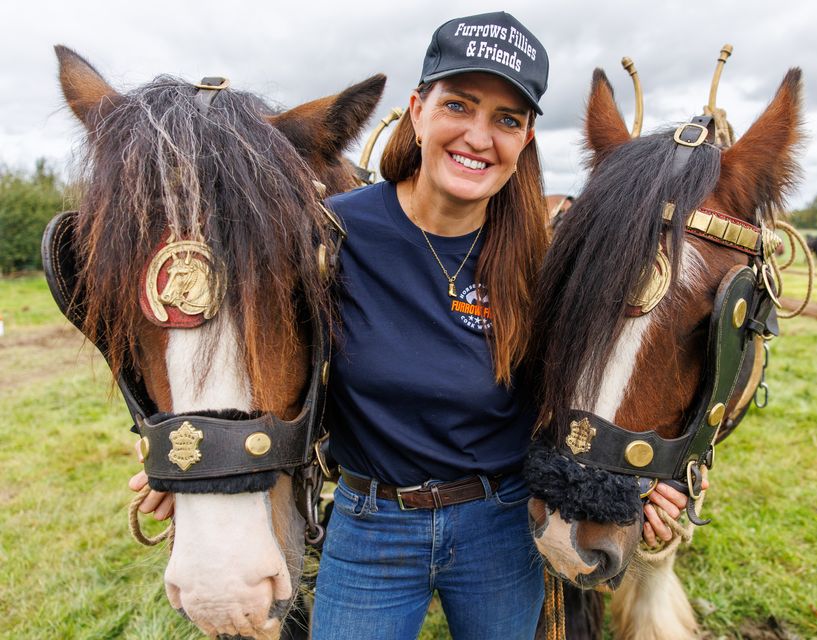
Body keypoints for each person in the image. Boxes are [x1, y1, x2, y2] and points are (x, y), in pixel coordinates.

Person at [131, 11, 699, 638]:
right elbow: (250, 352)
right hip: (370, 522)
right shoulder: (330, 234)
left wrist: (630, 482)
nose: (480, 136)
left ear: (527, 139)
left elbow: (590, 389)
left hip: (499, 525)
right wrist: (194, 457)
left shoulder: (540, 258)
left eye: (507, 120)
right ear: (418, 110)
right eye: (460, 105)